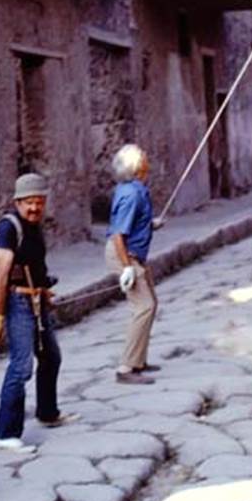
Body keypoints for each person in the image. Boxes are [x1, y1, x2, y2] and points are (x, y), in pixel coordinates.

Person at [0, 173, 79, 453]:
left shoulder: (35, 226)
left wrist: (44, 290)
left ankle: (47, 413)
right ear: (17, 202)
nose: (35, 208)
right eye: (29, 202)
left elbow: (36, 265)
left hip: (36, 300)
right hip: (16, 304)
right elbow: (1, 276)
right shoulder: (8, 228)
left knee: (51, 356)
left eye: (39, 202)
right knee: (21, 366)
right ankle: (4, 434)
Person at [105, 144, 164, 385]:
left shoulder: (132, 189)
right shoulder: (131, 194)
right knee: (144, 306)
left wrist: (151, 225)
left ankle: (139, 360)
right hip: (124, 254)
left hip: (132, 253)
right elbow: (119, 234)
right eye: (143, 157)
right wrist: (127, 266)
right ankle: (126, 367)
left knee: (150, 303)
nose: (147, 159)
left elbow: (132, 224)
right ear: (137, 166)